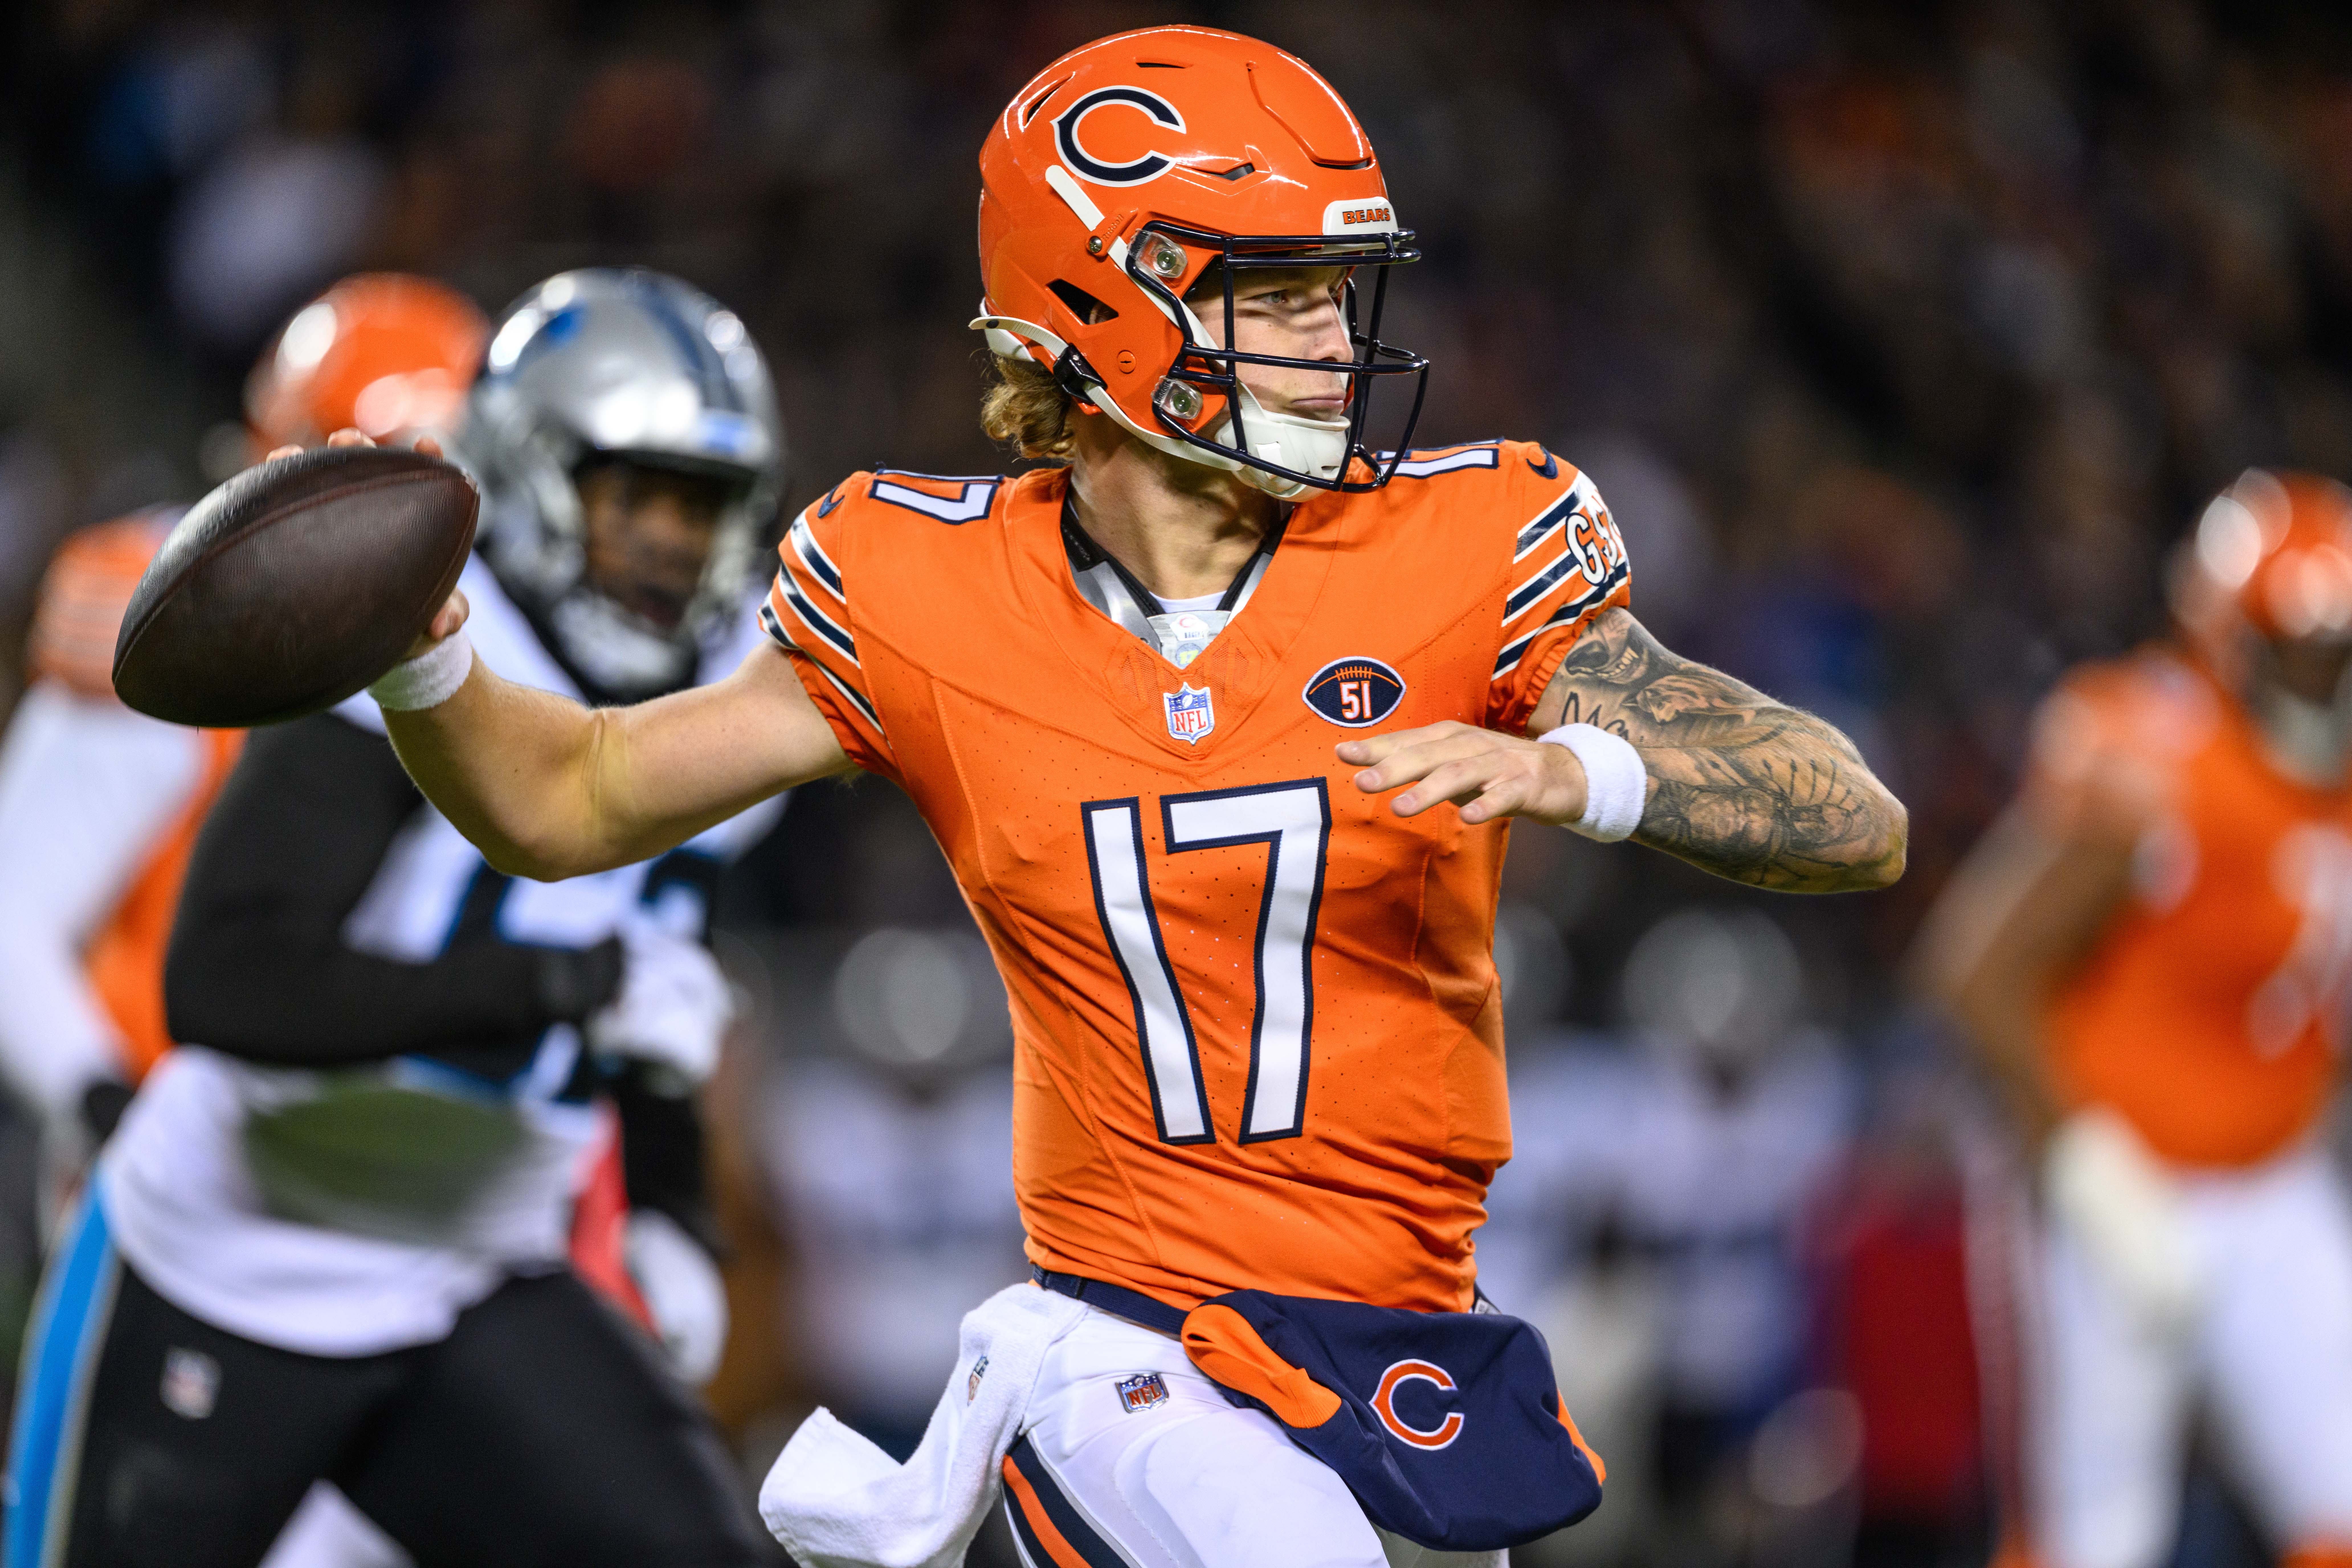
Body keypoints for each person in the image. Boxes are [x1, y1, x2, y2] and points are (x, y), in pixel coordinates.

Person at [346, 27, 1899, 1568]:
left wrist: (1584, 769)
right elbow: (571, 796)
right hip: (1124, 1350)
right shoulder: (924, 589)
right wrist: (418, 660)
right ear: (1104, 303)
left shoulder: (1471, 548)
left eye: (1332, 293)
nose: (1327, 339)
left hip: (1400, 1352)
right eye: (1271, 293)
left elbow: (1853, 816)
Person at [5, 268, 785, 1568]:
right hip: (237, 1256)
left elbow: (661, 965)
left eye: (699, 506)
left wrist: (669, 1207)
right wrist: (565, 990)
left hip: (478, 1265)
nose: (668, 542)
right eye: (635, 495)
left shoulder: (731, 680)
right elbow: (230, 984)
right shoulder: (411, 637)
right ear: (534, 477)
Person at [0, 274, 487, 1568]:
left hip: (377, 1178)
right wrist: (112, 1108)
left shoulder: (481, 634)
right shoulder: (172, 613)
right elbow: (11, 914)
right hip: (190, 1168)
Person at [1918, 470, 2352, 1568]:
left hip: (2277, 1174)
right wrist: (2087, 1167)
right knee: (2093, 1540)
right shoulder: (2155, 760)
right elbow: (1973, 970)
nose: (2331, 676)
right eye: (2310, 648)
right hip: (2119, 1181)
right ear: (2234, 642)